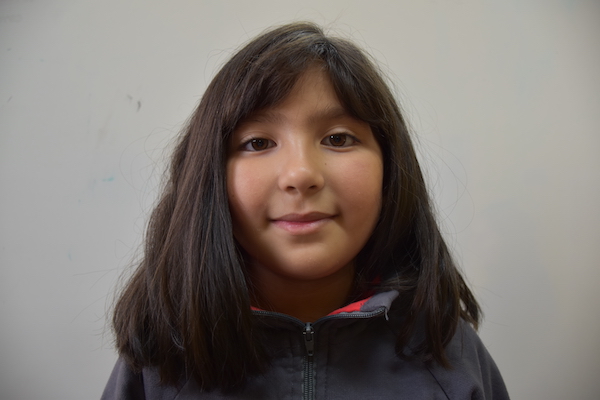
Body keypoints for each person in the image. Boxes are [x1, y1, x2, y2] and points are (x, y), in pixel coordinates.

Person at [101, 22, 510, 399]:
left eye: (338, 138)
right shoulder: (159, 366)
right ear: (209, 178)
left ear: (390, 168)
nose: (300, 174)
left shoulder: (449, 358)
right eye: (258, 143)